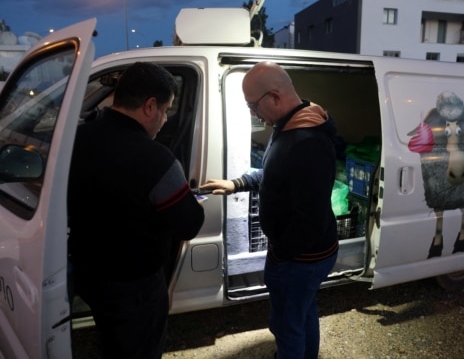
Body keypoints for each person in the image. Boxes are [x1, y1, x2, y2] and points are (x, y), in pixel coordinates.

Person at [200, 61, 339, 359]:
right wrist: (236, 183)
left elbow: (310, 220)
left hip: (301, 258)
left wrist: (280, 255)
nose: (252, 112)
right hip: (303, 254)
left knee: (286, 324)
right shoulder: (290, 125)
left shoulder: (306, 142)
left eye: (252, 104)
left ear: (274, 96)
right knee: (302, 313)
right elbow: (277, 175)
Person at [68, 62, 205, 359]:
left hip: (89, 273)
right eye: (166, 110)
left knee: (111, 339)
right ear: (150, 106)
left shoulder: (76, 140)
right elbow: (188, 225)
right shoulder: (157, 159)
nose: (165, 119)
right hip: (134, 285)